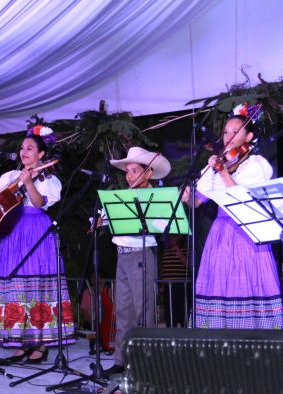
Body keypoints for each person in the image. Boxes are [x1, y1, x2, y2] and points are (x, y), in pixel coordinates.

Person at [183, 104, 283, 329]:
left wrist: (223, 171)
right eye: (226, 132)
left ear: (248, 135)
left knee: (248, 284)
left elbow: (243, 198)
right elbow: (197, 202)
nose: (228, 136)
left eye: (235, 131)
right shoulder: (216, 163)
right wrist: (187, 196)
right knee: (220, 285)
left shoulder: (258, 165)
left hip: (247, 232)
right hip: (221, 232)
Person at [0, 128, 75, 364]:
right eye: (22, 147)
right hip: (13, 232)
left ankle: (41, 345)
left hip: (37, 232)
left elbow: (38, 202)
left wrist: (28, 182)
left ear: (42, 154)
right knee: (16, 285)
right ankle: (21, 342)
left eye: (30, 148)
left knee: (37, 287)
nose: (24, 151)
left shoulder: (50, 179)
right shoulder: (10, 175)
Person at [102, 146, 171, 376]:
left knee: (144, 310)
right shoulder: (122, 198)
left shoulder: (156, 198)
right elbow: (109, 222)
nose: (130, 175)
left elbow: (163, 227)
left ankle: (147, 362)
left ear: (148, 173)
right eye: (128, 171)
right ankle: (121, 360)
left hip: (142, 255)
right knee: (123, 311)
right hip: (122, 255)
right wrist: (101, 221)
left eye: (135, 170)